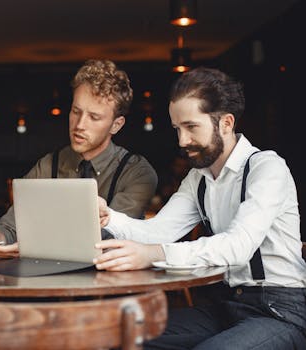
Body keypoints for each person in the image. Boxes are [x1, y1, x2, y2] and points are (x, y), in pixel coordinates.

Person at [95, 67, 306, 349]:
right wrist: (109, 217)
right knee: (123, 334)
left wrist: (153, 254)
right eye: (177, 129)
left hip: (279, 312)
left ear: (226, 124)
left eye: (191, 127)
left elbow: (238, 246)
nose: (182, 141)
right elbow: (159, 231)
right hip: (225, 306)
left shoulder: (267, 167)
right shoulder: (199, 178)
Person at [0, 59, 158, 256]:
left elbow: (108, 237)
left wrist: (34, 244)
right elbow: (12, 227)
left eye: (94, 117)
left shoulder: (137, 172)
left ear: (116, 125)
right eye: (76, 111)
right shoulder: (48, 165)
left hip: (114, 281)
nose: (80, 124)